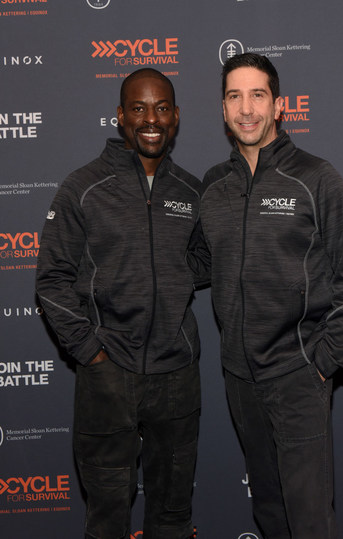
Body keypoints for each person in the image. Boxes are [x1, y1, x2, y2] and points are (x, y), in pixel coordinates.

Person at [199, 53, 343, 538]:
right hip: (239, 377)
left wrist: (324, 358)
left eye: (258, 95)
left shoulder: (315, 177)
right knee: (270, 513)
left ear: (278, 106)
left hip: (298, 375)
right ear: (223, 108)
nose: (246, 108)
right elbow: (195, 260)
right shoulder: (214, 186)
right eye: (235, 96)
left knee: (310, 518)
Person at [36, 68, 207, 539]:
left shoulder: (192, 192)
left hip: (177, 375)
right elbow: (51, 278)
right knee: (108, 518)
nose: (150, 119)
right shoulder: (84, 187)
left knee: (172, 516)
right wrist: (90, 352)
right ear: (119, 117)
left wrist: (168, 280)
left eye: (161, 108)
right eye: (138, 108)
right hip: (108, 376)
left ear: (176, 117)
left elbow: (204, 260)